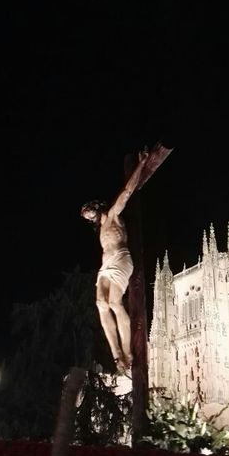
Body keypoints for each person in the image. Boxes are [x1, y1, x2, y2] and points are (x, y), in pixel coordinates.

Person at [81, 150, 148, 373]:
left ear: (97, 208)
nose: (90, 217)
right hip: (105, 267)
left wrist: (141, 164)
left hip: (120, 259)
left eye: (90, 213)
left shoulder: (113, 216)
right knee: (101, 303)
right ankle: (116, 354)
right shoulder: (101, 230)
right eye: (87, 217)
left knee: (115, 303)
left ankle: (127, 351)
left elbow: (127, 191)